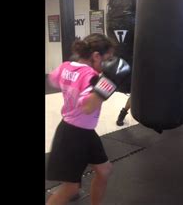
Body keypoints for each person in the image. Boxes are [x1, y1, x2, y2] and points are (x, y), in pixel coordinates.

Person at [46, 33, 130, 205]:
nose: (109, 63)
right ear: (96, 56)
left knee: (104, 170)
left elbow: (52, 80)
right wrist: (109, 81)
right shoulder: (90, 76)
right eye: (108, 58)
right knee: (71, 189)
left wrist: (71, 75)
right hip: (74, 135)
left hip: (82, 130)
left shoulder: (66, 66)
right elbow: (88, 107)